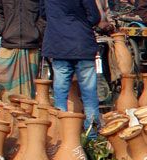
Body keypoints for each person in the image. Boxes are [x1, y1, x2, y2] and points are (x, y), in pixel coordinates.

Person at [42, 0, 103, 134]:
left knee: (60, 93)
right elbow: (95, 16)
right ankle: (91, 134)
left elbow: (42, 13)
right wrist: (80, 22)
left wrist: (59, 22)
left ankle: (62, 133)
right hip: (82, 43)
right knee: (89, 93)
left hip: (59, 44)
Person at [0, 0, 43, 98]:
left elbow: (44, 13)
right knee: (2, 81)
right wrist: (2, 29)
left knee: (28, 90)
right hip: (8, 43)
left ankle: (26, 109)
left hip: (31, 45)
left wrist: (38, 32)